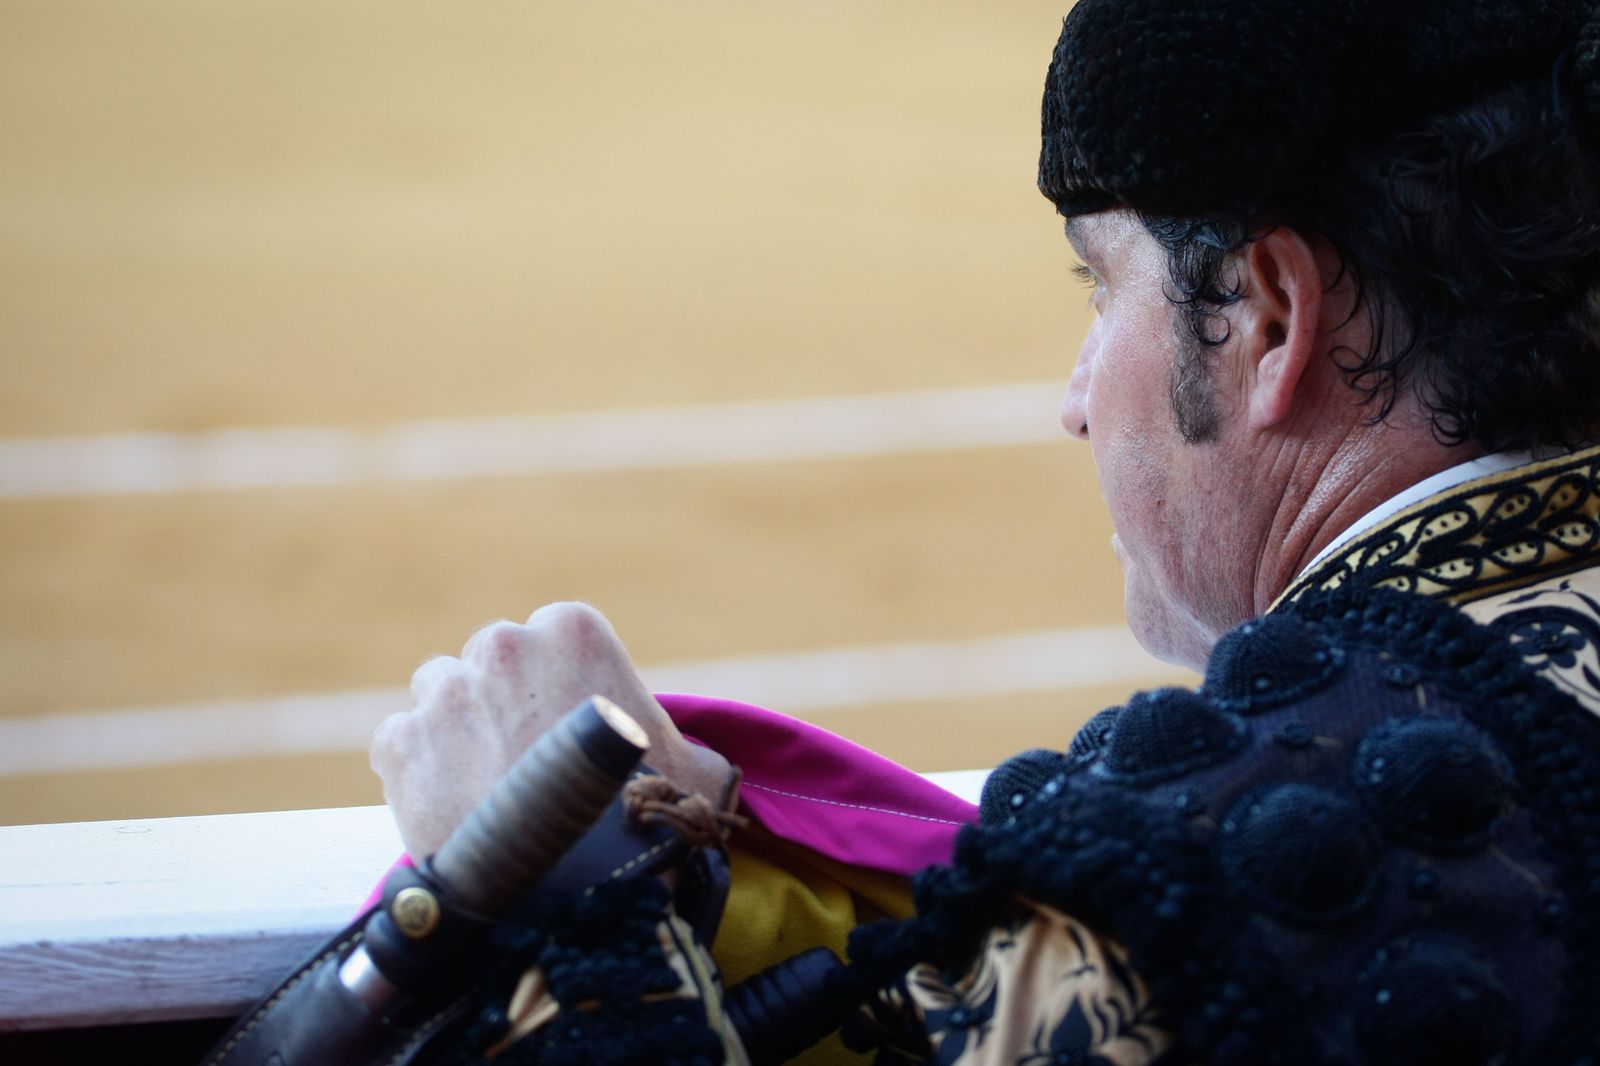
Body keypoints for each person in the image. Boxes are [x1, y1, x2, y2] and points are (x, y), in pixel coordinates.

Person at [369, 0, 1600, 1061]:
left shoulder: (1181, 886)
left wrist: (571, 920)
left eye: (1099, 286)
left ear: (1267, 316)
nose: (1074, 401)